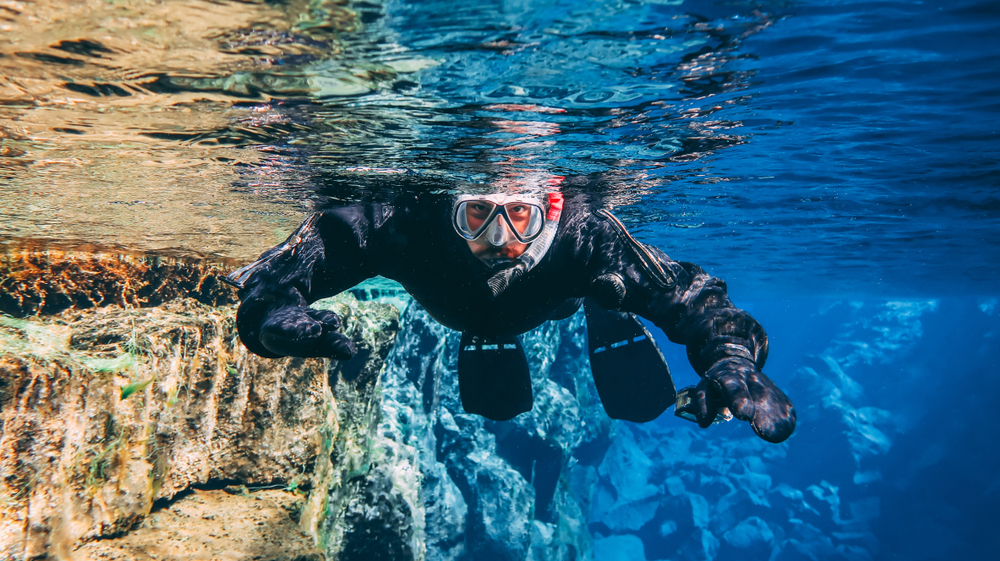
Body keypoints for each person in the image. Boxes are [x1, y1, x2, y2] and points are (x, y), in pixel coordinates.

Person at [225, 190, 796, 443]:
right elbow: (280, 272)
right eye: (477, 214)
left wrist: (731, 356)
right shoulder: (403, 221)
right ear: (451, 206)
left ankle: (608, 305)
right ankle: (598, 301)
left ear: (550, 203)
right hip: (471, 311)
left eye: (519, 214)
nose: (498, 238)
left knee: (606, 288)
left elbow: (695, 300)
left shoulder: (589, 237)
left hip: (564, 294)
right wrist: (271, 321)